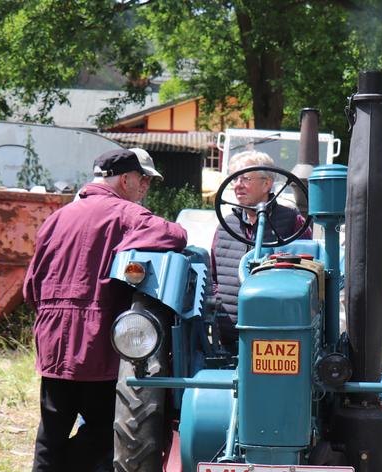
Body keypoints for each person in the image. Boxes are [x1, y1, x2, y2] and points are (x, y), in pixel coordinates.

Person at [23, 149, 188, 472]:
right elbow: (174, 234)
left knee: (51, 433)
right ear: (125, 179)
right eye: (143, 180)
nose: (145, 188)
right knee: (104, 429)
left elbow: (31, 286)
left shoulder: (57, 218)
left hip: (54, 339)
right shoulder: (124, 214)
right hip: (97, 342)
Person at [211, 151, 312, 352]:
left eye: (245, 178)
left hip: (277, 341)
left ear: (266, 184)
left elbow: (308, 276)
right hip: (230, 339)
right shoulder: (224, 227)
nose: (237, 185)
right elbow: (213, 279)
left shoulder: (292, 223)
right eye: (234, 178)